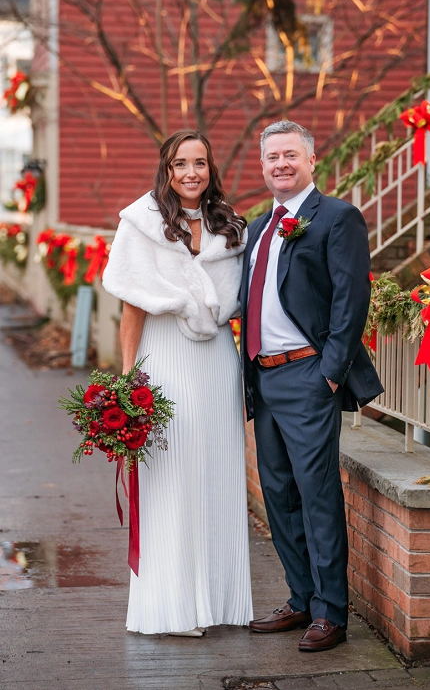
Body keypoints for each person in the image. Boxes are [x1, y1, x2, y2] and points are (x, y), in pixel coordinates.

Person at [103, 129, 253, 637]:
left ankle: (218, 599)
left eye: (201, 163)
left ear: (211, 169)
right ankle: (173, 606)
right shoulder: (141, 223)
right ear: (166, 170)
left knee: (215, 473)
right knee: (172, 478)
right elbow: (132, 306)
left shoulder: (229, 225)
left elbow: (242, 301)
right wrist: (127, 380)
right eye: (181, 164)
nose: (192, 172)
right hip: (163, 357)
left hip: (215, 360)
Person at [241, 120, 383, 652]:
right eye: (272, 157)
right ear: (263, 165)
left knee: (317, 492)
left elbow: (351, 299)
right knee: (277, 493)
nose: (281, 164)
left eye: (290, 155)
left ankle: (331, 612)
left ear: (311, 161)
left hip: (307, 375)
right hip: (263, 375)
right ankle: (300, 597)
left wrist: (330, 372)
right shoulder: (258, 227)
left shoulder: (337, 217)